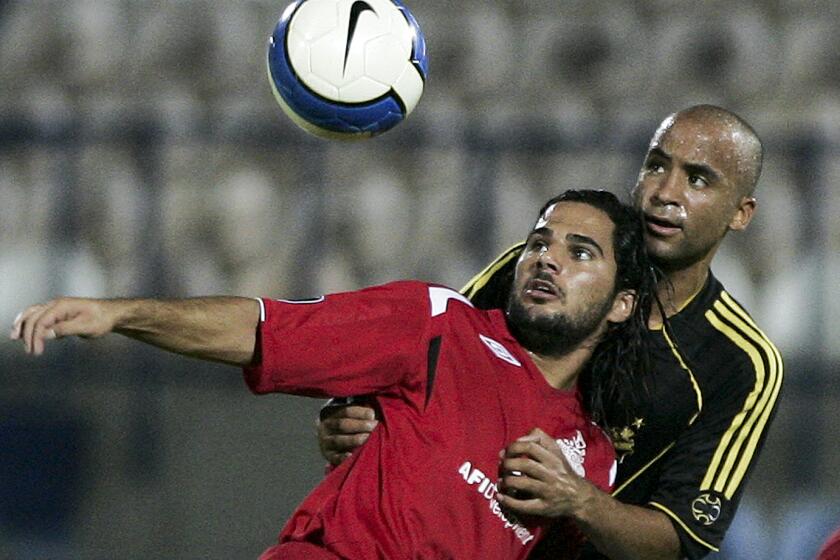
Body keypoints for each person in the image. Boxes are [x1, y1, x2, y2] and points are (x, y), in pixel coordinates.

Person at [11, 190, 658, 560]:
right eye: (540, 241)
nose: (547, 260)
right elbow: (267, 330)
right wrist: (121, 313)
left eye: (580, 252)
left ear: (623, 303)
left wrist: (578, 501)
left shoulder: (591, 462)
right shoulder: (437, 325)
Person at [317, 105, 784, 560]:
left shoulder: (743, 365)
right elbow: (431, 366)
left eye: (697, 179)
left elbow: (679, 541)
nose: (665, 192)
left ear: (741, 213)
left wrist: (578, 500)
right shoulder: (540, 268)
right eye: (656, 166)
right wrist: (353, 416)